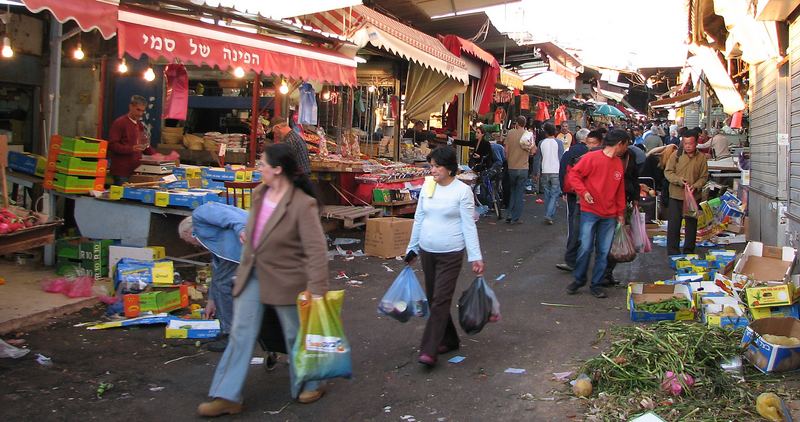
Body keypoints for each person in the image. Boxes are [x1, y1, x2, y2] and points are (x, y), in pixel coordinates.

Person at [198, 143, 329, 417]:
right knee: (240, 334)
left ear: (278, 170)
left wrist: (317, 290)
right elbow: (254, 231)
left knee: (294, 335)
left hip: (288, 278)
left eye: (262, 164)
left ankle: (311, 383)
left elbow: (316, 249)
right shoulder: (260, 194)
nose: (259, 168)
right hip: (253, 273)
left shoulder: (302, 204)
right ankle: (227, 395)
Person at [405, 146, 484, 367]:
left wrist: (475, 257)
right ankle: (449, 339)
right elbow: (419, 217)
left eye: (437, 166)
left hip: (451, 252)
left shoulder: (462, 191)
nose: (433, 170)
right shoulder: (428, 186)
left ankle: (429, 349)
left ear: (449, 168)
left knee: (440, 300)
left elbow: (469, 225)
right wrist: (412, 248)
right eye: (431, 166)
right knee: (434, 299)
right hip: (428, 250)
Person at [565, 129, 629, 299]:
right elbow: (574, 175)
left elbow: (619, 191)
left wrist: (621, 213)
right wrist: (583, 192)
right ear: (620, 144)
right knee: (585, 247)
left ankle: (596, 284)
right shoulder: (591, 158)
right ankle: (579, 279)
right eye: (626, 144)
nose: (626, 148)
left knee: (603, 251)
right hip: (590, 211)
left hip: (609, 215)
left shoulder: (618, 164)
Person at [178, 203, 247, 353]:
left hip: (240, 249)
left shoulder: (200, 214)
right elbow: (216, 271)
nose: (191, 244)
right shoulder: (214, 245)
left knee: (224, 284)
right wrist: (211, 300)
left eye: (186, 240)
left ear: (189, 233)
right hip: (236, 254)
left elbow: (231, 216)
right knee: (224, 283)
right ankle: (230, 330)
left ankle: (230, 334)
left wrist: (241, 229)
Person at [556, 129, 601, 272]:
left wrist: (564, 189)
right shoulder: (597, 155)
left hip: (575, 195)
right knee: (588, 229)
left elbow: (563, 170)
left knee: (574, 226)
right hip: (589, 197)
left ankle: (572, 259)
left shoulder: (570, 152)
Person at [664, 129, 708, 256]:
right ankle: (673, 252)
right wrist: (678, 180)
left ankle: (689, 251)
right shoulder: (676, 155)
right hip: (676, 195)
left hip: (693, 197)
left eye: (691, 143)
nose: (688, 146)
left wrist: (696, 185)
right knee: (674, 224)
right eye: (685, 143)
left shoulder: (701, 158)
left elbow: (704, 177)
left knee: (691, 225)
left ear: (696, 143)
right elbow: (668, 172)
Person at [603, 137, 640, 286]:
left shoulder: (630, 156)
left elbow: (634, 177)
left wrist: (635, 197)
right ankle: (603, 273)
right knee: (606, 239)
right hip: (606, 202)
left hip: (623, 200)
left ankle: (607, 273)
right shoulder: (605, 156)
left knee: (616, 237)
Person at [108, 95, 153, 185]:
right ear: (131, 106)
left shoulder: (139, 125)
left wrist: (158, 156)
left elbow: (145, 145)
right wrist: (131, 149)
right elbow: (112, 145)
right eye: (138, 110)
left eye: (143, 111)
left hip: (135, 171)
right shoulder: (119, 123)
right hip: (121, 172)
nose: (140, 114)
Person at [505, 116, 533, 224]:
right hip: (523, 167)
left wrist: (509, 160)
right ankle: (515, 217)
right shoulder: (528, 134)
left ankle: (509, 214)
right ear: (525, 124)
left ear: (516, 123)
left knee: (512, 191)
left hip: (511, 166)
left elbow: (506, 151)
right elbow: (532, 151)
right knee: (519, 193)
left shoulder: (510, 133)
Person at [539, 123, 564, 224]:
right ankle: (549, 215)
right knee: (554, 194)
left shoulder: (541, 142)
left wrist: (536, 172)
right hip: (556, 171)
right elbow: (561, 157)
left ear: (545, 132)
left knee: (547, 193)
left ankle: (549, 214)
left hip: (545, 170)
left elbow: (538, 158)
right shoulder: (559, 142)